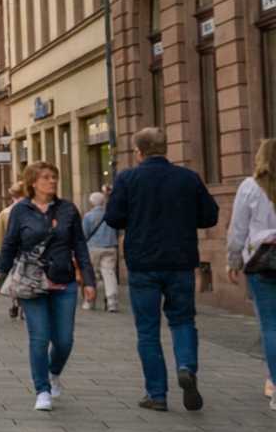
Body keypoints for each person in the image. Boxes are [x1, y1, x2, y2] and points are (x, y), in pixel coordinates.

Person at [106, 127, 221, 412]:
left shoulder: (128, 179)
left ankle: (156, 394)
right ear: (165, 148)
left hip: (143, 263)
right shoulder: (187, 178)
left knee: (147, 330)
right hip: (180, 261)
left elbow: (113, 218)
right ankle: (186, 367)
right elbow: (210, 216)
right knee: (182, 320)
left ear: (139, 151)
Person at [0, 162, 95, 412]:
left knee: (64, 340)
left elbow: (80, 246)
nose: (52, 181)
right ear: (33, 182)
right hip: (31, 283)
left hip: (64, 281)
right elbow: (9, 245)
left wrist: (89, 281)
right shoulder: (21, 211)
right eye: (46, 177)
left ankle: (53, 372)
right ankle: (42, 390)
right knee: (39, 338)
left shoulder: (68, 209)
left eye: (54, 177)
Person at [227, 139, 276, 413]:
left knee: (270, 325)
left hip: (263, 262)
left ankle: (274, 383)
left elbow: (238, 229)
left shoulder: (250, 187)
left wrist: (232, 260)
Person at [0, 180, 27, 320]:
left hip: (12, 254)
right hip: (29, 253)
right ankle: (23, 306)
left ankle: (16, 302)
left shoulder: (5, 213)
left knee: (14, 280)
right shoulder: (35, 209)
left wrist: (1, 252)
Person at [82, 191, 121, 313]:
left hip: (93, 248)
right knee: (109, 274)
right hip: (110, 247)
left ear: (91, 203)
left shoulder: (88, 216)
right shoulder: (110, 215)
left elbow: (84, 233)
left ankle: (89, 301)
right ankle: (112, 302)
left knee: (92, 275)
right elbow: (118, 231)